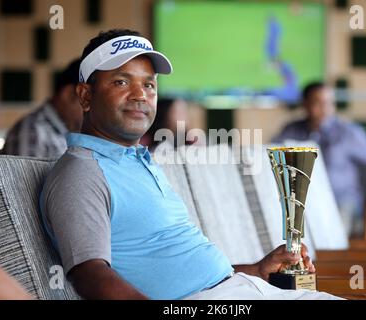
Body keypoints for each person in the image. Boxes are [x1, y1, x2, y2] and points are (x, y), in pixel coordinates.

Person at [40, 29, 339, 300]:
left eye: (149, 85)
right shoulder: (81, 173)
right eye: (121, 81)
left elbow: (187, 271)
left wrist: (258, 269)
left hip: (242, 287)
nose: (140, 95)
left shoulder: (140, 162)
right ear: (85, 95)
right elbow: (92, 278)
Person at [272, 82, 366, 237]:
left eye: (329, 103)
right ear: (305, 104)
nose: (325, 108)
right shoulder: (292, 130)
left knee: (332, 236)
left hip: (341, 201)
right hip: (305, 202)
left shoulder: (347, 132)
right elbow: (272, 154)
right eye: (318, 103)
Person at [2, 58, 83, 158]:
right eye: (87, 100)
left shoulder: (69, 131)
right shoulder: (32, 131)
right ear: (68, 95)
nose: (91, 111)